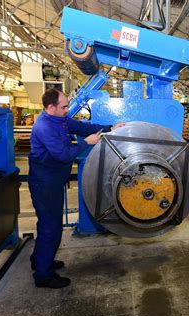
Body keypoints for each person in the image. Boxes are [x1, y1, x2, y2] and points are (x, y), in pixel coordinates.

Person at [29, 88, 125, 288]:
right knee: (51, 227)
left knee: (47, 224)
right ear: (50, 107)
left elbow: (81, 127)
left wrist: (109, 128)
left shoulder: (59, 119)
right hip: (45, 184)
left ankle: (40, 260)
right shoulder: (44, 127)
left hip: (52, 180)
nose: (67, 110)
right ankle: (44, 276)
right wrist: (87, 143)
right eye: (64, 106)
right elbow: (63, 155)